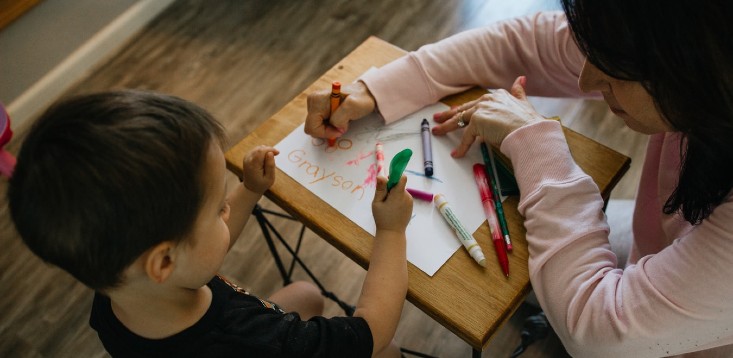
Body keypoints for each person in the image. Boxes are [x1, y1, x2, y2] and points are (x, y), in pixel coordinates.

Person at [303, 1, 733, 356]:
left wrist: (536, 145)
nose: (585, 79)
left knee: (546, 293)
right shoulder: (693, 51)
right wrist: (375, 90)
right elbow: (526, 43)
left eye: (613, 68)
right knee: (531, 279)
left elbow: (600, 332)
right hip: (659, 245)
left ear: (697, 66)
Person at [7, 90, 413, 357]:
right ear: (163, 262)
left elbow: (196, 252)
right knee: (390, 351)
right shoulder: (249, 339)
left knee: (306, 293)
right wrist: (392, 231)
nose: (226, 210)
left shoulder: (116, 287)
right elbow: (372, 329)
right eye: (219, 207)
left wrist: (249, 190)